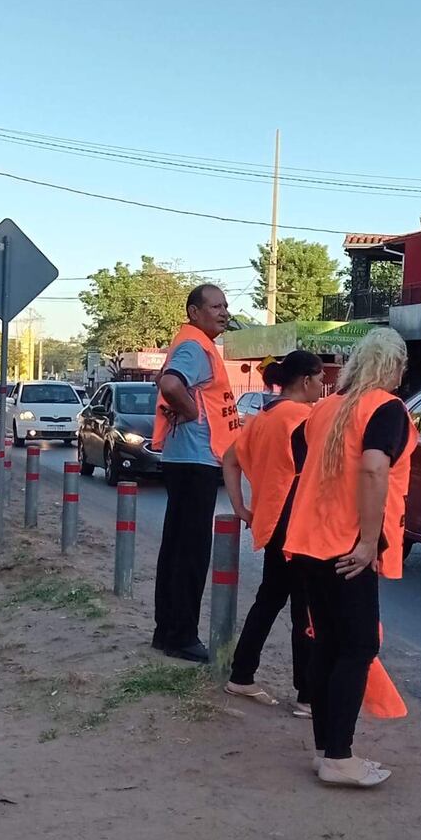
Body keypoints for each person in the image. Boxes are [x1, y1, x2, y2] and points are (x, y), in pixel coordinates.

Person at [285, 328, 418, 788]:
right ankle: (339, 756)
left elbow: (298, 449)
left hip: (307, 539)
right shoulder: (386, 408)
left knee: (329, 644)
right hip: (346, 547)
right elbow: (374, 466)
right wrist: (367, 541)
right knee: (358, 646)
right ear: (394, 367)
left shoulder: (325, 407)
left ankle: (327, 750)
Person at [222, 351, 324, 712]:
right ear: (306, 380)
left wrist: (240, 507)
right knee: (305, 609)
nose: (323, 386)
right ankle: (308, 695)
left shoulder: (262, 416)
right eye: (320, 379)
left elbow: (230, 460)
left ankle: (242, 674)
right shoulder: (305, 419)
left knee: (269, 601)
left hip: (271, 520)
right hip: (298, 523)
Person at [151, 284, 240, 662]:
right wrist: (188, 411)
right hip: (195, 460)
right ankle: (182, 636)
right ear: (194, 312)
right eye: (215, 306)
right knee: (190, 552)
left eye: (225, 306)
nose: (222, 312)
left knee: (176, 548)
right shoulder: (195, 347)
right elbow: (170, 384)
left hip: (186, 459)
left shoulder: (197, 344)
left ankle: (166, 631)